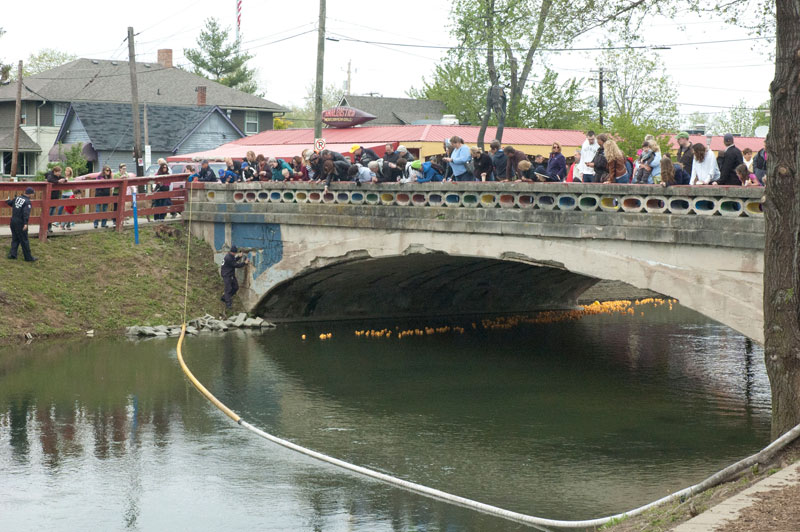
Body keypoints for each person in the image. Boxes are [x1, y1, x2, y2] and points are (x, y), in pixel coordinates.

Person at [6, 187, 36, 262]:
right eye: (33, 194)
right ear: (30, 194)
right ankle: (28, 257)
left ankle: (13, 254)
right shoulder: (27, 202)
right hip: (20, 223)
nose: (33, 195)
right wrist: (25, 223)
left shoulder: (17, 198)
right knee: (24, 240)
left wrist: (7, 200)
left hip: (13, 221)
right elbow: (26, 213)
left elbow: (11, 203)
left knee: (15, 238)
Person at [220, 245, 249, 310]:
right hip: (226, 275)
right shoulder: (228, 257)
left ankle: (225, 297)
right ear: (232, 252)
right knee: (228, 289)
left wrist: (238, 257)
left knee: (236, 287)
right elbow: (236, 265)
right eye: (235, 253)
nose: (235, 254)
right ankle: (228, 304)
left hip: (231, 274)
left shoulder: (231, 256)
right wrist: (245, 263)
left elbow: (234, 261)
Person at [45, 166, 66, 233]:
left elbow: (64, 178)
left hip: (55, 196)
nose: (60, 174)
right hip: (50, 196)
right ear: (55, 172)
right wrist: (58, 181)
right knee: (49, 212)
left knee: (52, 212)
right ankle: (47, 227)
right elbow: (49, 180)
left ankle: (49, 227)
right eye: (59, 172)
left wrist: (64, 180)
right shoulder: (50, 175)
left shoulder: (57, 176)